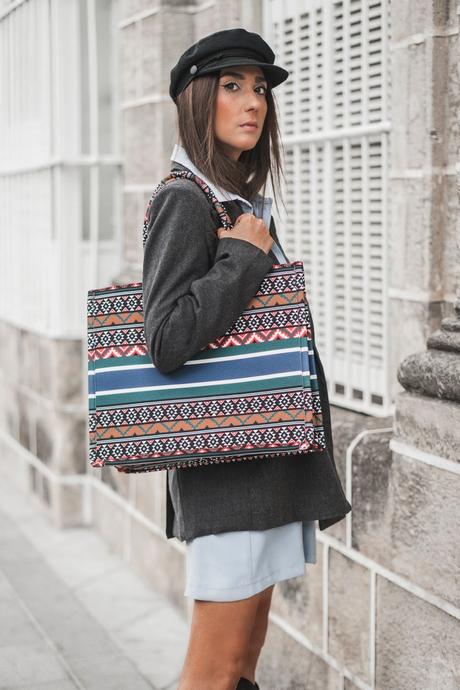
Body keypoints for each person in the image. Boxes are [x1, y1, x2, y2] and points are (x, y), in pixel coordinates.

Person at [142, 27, 352, 690]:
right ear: (197, 100)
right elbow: (167, 338)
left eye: (259, 87)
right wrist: (243, 257)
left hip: (263, 466)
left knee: (240, 671)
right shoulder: (185, 200)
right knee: (213, 673)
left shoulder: (236, 202)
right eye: (232, 86)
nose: (252, 102)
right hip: (230, 476)